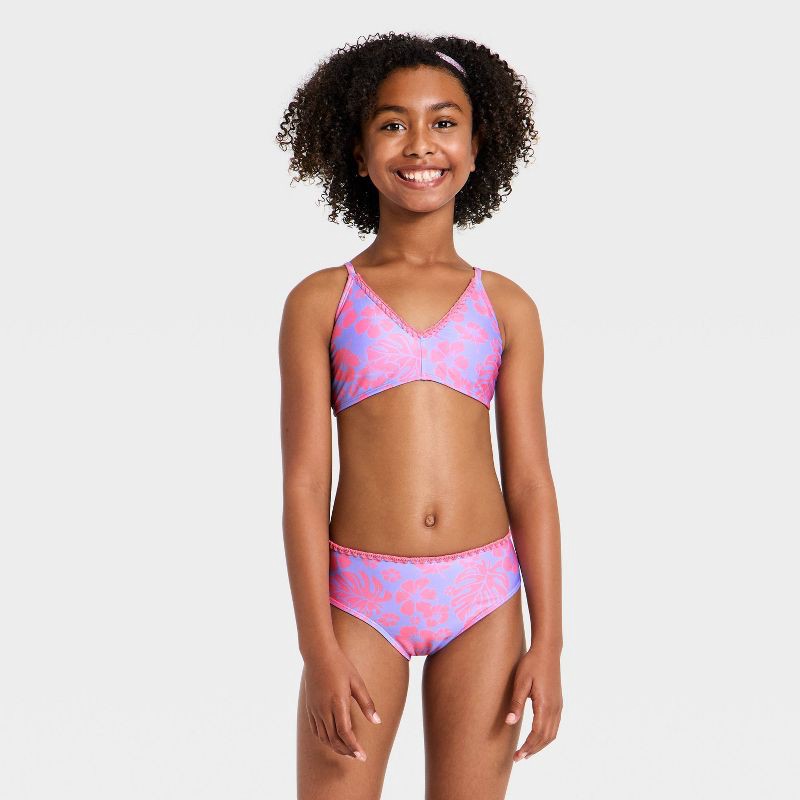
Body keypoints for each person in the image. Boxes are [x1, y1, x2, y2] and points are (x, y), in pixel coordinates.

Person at [277, 32, 563, 800]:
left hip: (485, 598)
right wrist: (317, 651)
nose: (419, 144)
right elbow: (303, 485)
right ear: (358, 150)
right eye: (391, 123)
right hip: (360, 598)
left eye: (443, 122)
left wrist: (549, 644)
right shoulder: (321, 301)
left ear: (477, 146)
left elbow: (531, 483)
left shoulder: (506, 306)